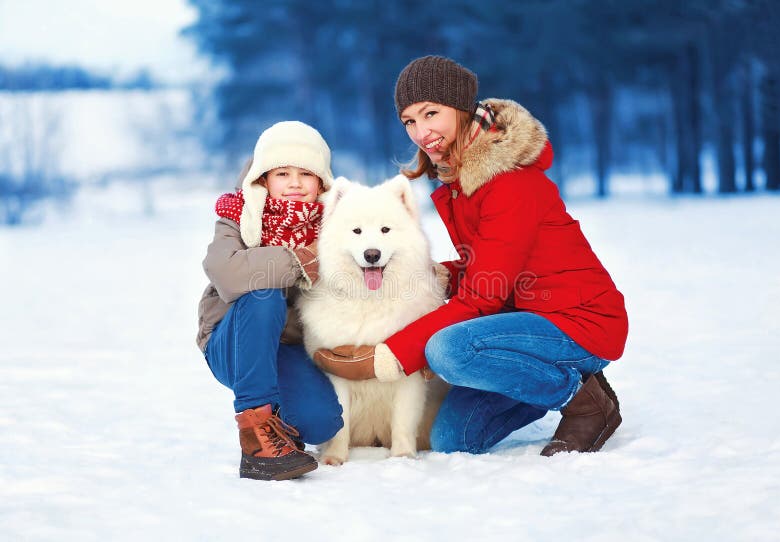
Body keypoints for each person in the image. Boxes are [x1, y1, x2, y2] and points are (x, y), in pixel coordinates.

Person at [313, 56, 628, 456]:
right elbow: (494, 266)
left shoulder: (511, 182)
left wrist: (389, 357)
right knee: (453, 440)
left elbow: (482, 296)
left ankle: (584, 401)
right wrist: (438, 275)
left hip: (578, 321)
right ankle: (549, 378)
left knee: (449, 349)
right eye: (409, 121)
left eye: (431, 113)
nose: (421, 132)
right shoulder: (459, 182)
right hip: (520, 323)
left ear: (460, 109)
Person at [197, 121, 343, 480]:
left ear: (321, 182)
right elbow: (228, 273)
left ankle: (282, 426)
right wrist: (302, 260)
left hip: (287, 347)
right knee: (263, 292)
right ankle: (256, 436)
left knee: (321, 424)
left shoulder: (337, 223)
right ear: (264, 179)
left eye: (305, 174)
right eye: (283, 173)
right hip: (231, 341)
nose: (294, 183)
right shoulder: (239, 215)